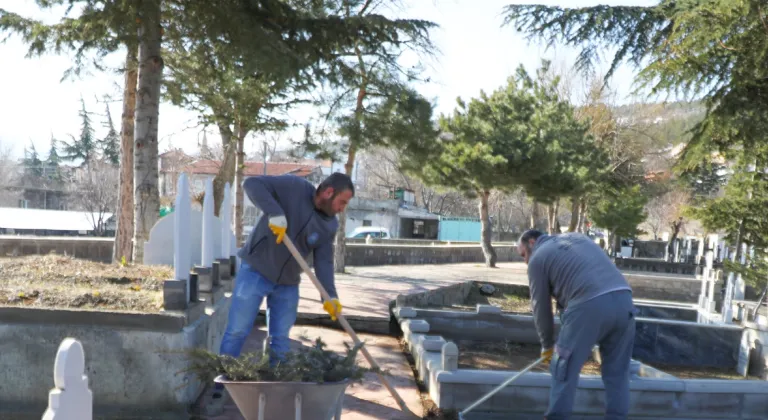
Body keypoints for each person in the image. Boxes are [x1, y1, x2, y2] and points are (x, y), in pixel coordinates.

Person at [206, 172, 354, 414]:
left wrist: (330, 296)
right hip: (255, 271)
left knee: (281, 339)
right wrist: (275, 212)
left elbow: (324, 262)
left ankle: (276, 389)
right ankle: (220, 388)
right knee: (237, 330)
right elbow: (251, 183)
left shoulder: (330, 224)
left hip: (287, 283)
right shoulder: (294, 188)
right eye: (342, 202)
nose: (341, 209)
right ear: (329, 193)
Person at [517, 229, 636, 420]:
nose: (524, 261)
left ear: (532, 242)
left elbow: (540, 307)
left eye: (523, 255)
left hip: (589, 304)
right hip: (625, 301)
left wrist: (547, 346)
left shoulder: (538, 258)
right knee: (618, 373)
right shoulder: (578, 238)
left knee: (562, 368)